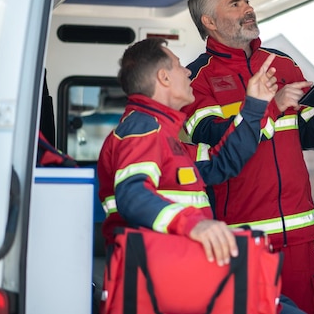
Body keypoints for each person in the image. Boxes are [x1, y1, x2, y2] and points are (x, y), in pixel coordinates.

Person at [182, 0, 314, 314]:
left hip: (300, 228)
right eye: (236, 4)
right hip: (241, 235)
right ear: (209, 21)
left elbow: (306, 134)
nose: (249, 8)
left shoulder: (283, 64)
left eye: (246, 0)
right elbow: (215, 141)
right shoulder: (196, 78)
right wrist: (269, 107)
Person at [97, 37, 278, 267]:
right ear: (164, 77)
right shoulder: (142, 128)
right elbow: (132, 196)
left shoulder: (165, 136)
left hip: (174, 266)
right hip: (155, 273)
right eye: (180, 65)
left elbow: (220, 164)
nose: (188, 73)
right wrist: (195, 225)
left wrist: (254, 105)